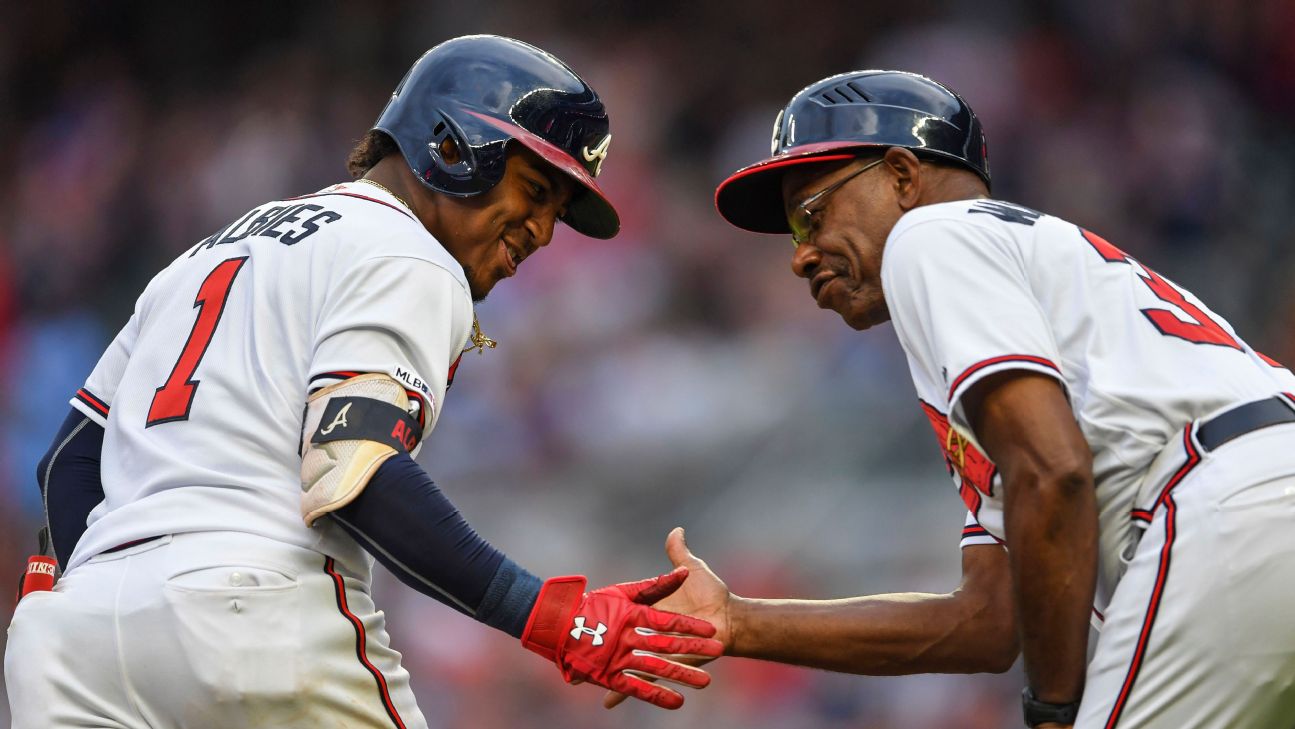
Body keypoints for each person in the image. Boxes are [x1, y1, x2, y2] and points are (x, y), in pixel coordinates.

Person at [4, 35, 721, 729]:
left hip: (71, 642)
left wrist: (97, 595)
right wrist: (551, 616)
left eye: (555, 212)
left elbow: (68, 461)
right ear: (450, 146)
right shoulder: (410, 252)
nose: (541, 232)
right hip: (251, 614)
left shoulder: (203, 254)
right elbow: (354, 469)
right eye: (534, 191)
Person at [611, 70, 1295, 728]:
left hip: (1229, 513)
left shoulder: (931, 234)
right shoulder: (1030, 283)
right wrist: (735, 621)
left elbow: (1052, 469)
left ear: (902, 176)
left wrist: (1055, 707)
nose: (801, 254)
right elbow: (989, 622)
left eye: (812, 215)